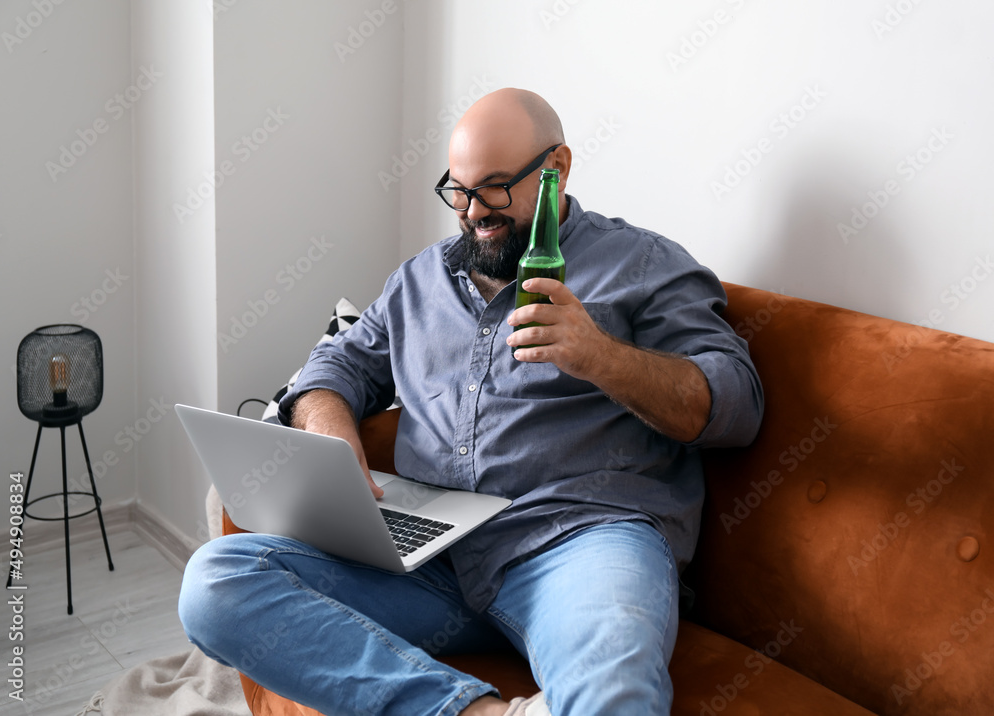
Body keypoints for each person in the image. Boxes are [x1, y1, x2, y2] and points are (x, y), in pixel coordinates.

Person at [179, 88, 763, 716]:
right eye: (457, 190)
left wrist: (600, 356)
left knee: (615, 693)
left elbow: (736, 404)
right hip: (431, 558)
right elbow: (336, 364)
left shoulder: (642, 264)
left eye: (494, 188)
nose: (472, 212)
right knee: (217, 582)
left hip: (579, 544)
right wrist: (328, 428)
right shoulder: (418, 281)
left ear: (556, 169)